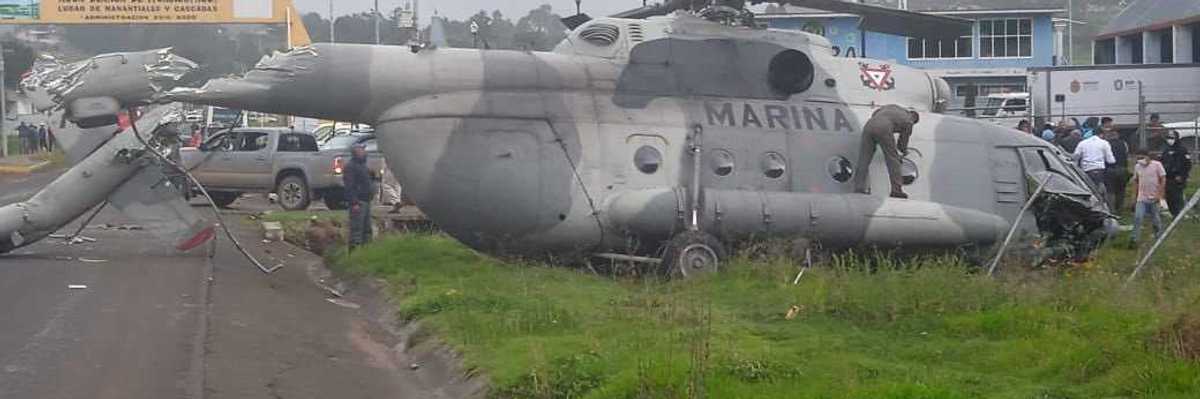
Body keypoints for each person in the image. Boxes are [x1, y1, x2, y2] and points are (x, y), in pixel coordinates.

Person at [853, 104, 919, 199]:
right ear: (914, 118)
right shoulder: (909, 121)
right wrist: (904, 152)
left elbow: (875, 113)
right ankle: (896, 190)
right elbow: (901, 144)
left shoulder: (894, 107)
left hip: (869, 124)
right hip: (884, 126)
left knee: (864, 159)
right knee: (893, 159)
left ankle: (858, 187)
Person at [1129, 150, 1166, 247]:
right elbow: (1136, 181)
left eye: (1142, 157)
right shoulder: (1137, 167)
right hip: (1141, 198)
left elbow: (1162, 179)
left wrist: (1160, 194)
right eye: (1138, 158)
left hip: (1154, 197)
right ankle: (1134, 239)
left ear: (1148, 157)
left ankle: (1158, 235)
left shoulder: (1157, 165)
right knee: (1138, 217)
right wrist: (1134, 196)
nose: (1141, 160)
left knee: (1155, 219)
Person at [343, 144, 375, 250]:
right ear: (355, 152)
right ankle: (354, 253)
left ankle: (366, 252)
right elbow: (349, 186)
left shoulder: (363, 165)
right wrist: (354, 202)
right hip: (358, 202)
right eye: (361, 150)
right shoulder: (350, 167)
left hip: (366, 201)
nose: (364, 152)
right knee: (357, 230)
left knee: (367, 230)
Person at [1074, 123, 1116, 202]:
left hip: (1086, 170)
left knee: (1088, 190)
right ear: (1101, 134)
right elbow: (1111, 160)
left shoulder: (1083, 143)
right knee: (1100, 190)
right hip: (1100, 170)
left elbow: (1076, 156)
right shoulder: (1104, 143)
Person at [1161, 130, 1192, 217]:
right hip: (1167, 177)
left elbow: (1187, 164)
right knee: (1169, 196)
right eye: (1168, 138)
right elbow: (1162, 161)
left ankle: (1179, 214)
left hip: (1178, 178)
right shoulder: (1166, 150)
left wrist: (1182, 176)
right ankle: (1173, 213)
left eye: (1172, 138)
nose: (1169, 140)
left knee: (1177, 196)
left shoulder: (1182, 149)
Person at [1104, 124, 1131, 212]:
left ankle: (1112, 210)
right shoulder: (1124, 143)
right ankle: (1120, 209)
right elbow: (1126, 155)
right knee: (1121, 190)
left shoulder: (1106, 144)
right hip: (1122, 169)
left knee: (1110, 191)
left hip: (1110, 169)